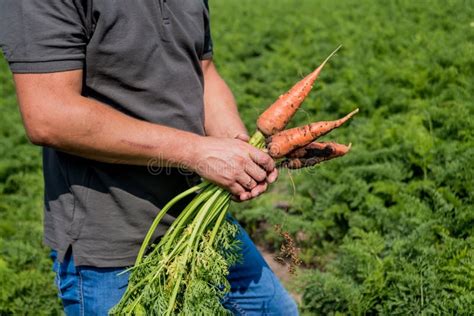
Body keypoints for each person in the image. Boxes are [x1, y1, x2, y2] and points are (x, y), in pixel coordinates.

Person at [0, 0, 298, 315]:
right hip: (112, 245)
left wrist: (236, 145)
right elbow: (49, 115)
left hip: (201, 219)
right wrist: (196, 152)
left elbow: (203, 71)